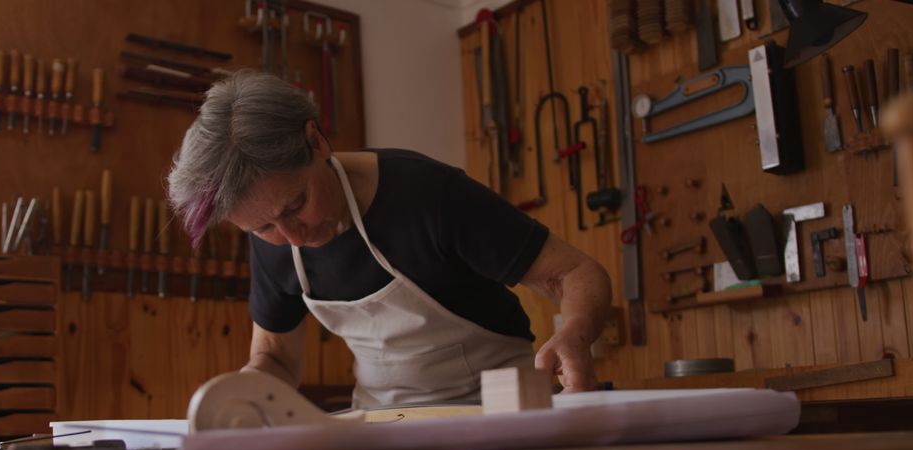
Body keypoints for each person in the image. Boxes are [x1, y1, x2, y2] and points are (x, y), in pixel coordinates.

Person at [167, 70, 612, 409]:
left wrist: (575, 333)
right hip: (382, 425)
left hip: (497, 413)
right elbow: (276, 359)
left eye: (295, 205)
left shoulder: (429, 197)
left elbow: (575, 274)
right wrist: (241, 398)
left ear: (316, 140)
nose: (290, 236)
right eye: (262, 228)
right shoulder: (274, 235)